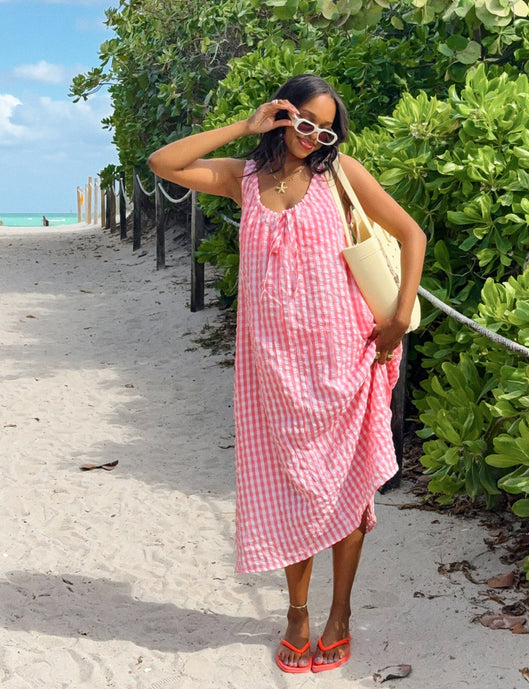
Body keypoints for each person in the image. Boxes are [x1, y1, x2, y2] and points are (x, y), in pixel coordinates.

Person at [149, 74, 426, 674]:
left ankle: (340, 616)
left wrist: (400, 318)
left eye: (323, 129)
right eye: (302, 122)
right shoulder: (242, 178)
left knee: (349, 494)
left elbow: (411, 234)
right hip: (271, 372)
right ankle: (298, 614)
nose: (311, 137)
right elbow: (163, 161)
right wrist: (246, 127)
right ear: (281, 114)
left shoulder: (341, 175)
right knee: (287, 494)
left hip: (344, 361)